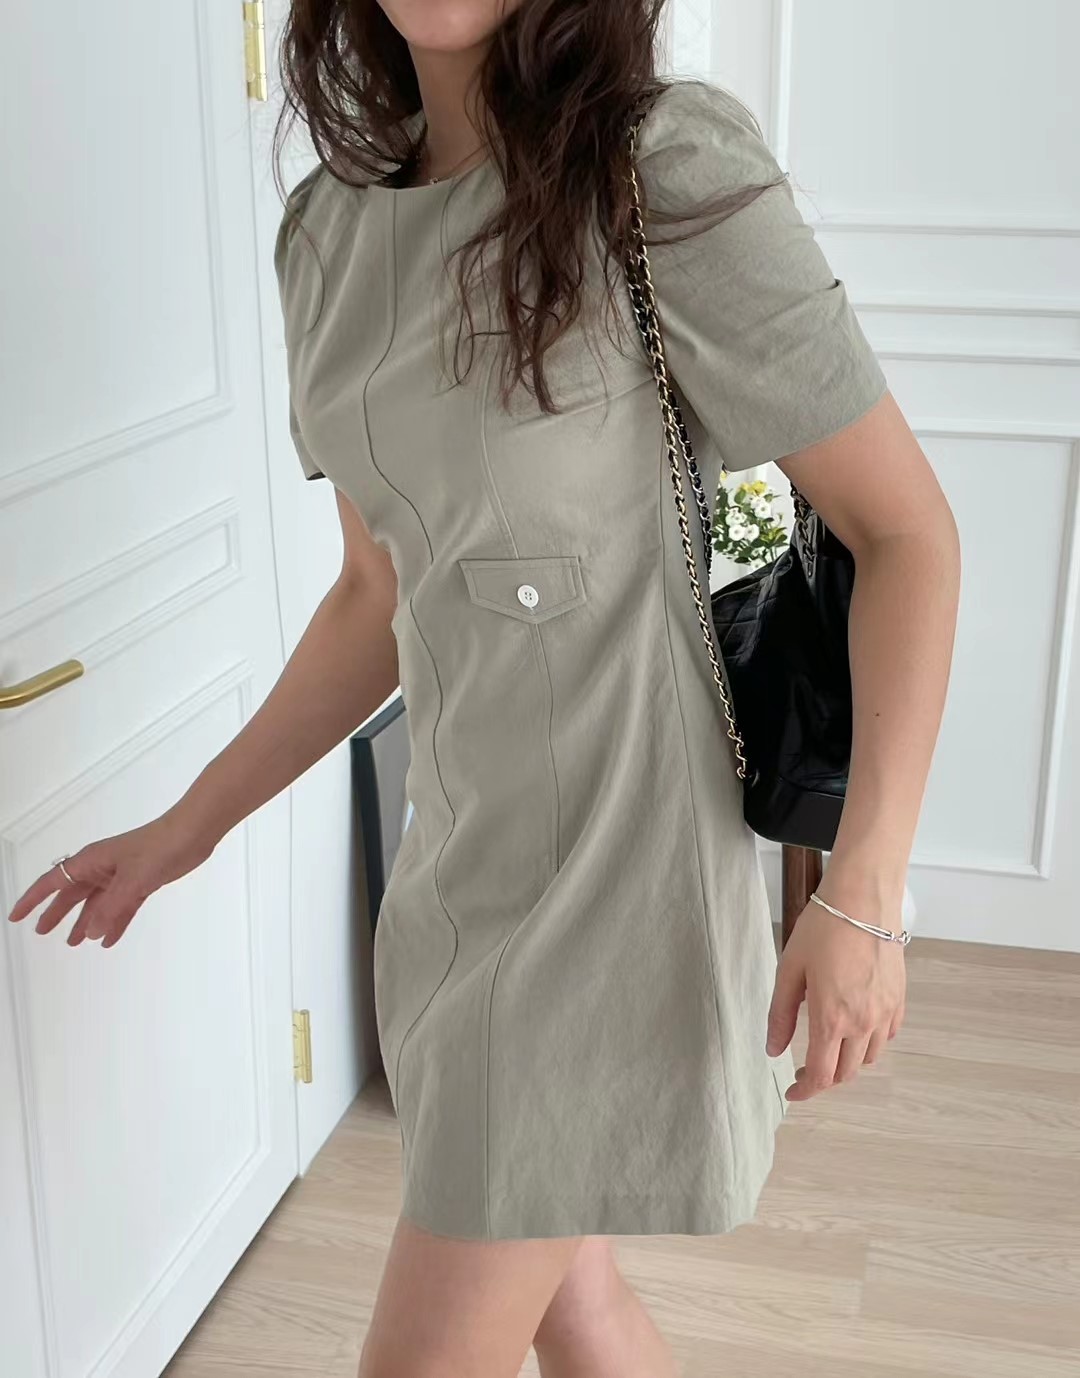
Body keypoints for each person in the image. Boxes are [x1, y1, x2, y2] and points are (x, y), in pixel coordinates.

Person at [6, 1, 962, 1374]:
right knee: (575, 1302)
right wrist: (187, 825)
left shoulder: (660, 168)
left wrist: (864, 894)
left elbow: (909, 535)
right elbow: (376, 596)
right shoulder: (324, 239)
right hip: (455, 872)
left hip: (621, 885)